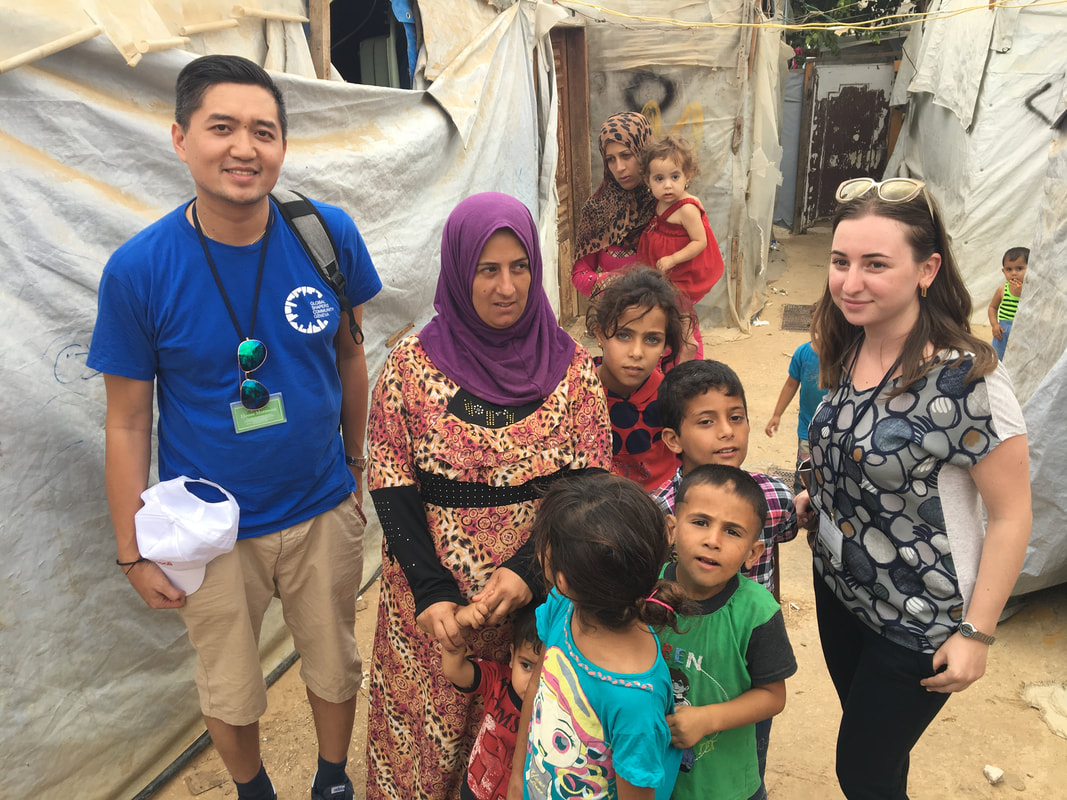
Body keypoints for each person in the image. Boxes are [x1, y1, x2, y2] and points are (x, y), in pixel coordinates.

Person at [87, 55, 381, 800]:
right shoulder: (140, 270)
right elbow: (126, 423)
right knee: (229, 682)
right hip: (209, 531)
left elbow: (351, 356)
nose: (244, 148)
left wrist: (355, 466)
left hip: (321, 506)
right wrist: (131, 552)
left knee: (334, 659)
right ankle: (254, 793)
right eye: (222, 128)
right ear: (181, 138)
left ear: (282, 145)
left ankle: (332, 780)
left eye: (264, 130)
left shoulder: (323, 234)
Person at [366, 192, 611, 800]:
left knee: (527, 748)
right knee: (428, 753)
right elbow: (391, 481)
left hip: (538, 602)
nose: (507, 287)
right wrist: (431, 590)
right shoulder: (409, 368)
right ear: (457, 269)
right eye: (487, 269)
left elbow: (590, 482)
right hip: (435, 610)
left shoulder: (574, 369)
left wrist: (531, 569)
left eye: (520, 267)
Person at [797, 176, 1032, 799]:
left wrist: (977, 634)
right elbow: (846, 445)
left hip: (919, 620)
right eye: (841, 262)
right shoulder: (851, 342)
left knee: (863, 771)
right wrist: (813, 495)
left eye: (876, 264)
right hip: (842, 590)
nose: (851, 282)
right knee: (878, 748)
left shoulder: (968, 381)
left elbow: (1012, 517)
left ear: (927, 268)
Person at [650, 360, 797, 790]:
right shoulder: (657, 514)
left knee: (743, 759)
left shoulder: (773, 496)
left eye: (736, 418)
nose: (727, 431)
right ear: (674, 438)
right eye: (707, 421)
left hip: (742, 655)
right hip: (676, 654)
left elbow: (788, 527)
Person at [509, 473, 692, 800]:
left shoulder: (635, 701)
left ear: (563, 579)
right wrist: (516, 782)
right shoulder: (563, 608)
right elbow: (538, 690)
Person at [661, 465, 797, 800]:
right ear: (672, 529)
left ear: (753, 554)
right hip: (651, 781)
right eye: (701, 522)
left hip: (726, 787)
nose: (713, 540)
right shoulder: (645, 591)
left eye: (733, 532)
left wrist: (705, 719)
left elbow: (772, 696)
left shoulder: (757, 612)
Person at [587, 267, 685, 490]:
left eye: (652, 339)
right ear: (600, 334)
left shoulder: (671, 396)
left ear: (664, 346)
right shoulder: (579, 392)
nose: (637, 352)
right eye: (624, 335)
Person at [636, 135, 725, 363]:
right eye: (659, 178)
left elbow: (699, 241)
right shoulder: (661, 202)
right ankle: (675, 347)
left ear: (688, 176)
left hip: (681, 273)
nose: (667, 185)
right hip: (668, 271)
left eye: (674, 176)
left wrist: (673, 259)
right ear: (647, 181)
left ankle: (688, 345)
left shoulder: (686, 208)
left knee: (680, 307)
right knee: (672, 309)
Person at [440, 605, 543, 800]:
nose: (532, 683)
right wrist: (457, 626)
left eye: (545, 672)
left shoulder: (559, 713)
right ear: (512, 656)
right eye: (526, 665)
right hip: (473, 789)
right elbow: (455, 671)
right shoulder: (497, 680)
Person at [572, 112, 657, 297]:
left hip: (667, 318)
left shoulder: (666, 205)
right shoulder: (597, 209)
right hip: (616, 317)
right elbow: (580, 274)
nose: (619, 167)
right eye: (610, 159)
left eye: (626, 155)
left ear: (644, 152)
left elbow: (703, 271)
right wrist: (619, 283)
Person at [764, 332, 828, 493]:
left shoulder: (848, 355)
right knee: (804, 473)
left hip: (837, 430)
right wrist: (777, 414)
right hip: (807, 429)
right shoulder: (803, 352)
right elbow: (791, 384)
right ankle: (801, 511)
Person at [986, 246, 1029, 361]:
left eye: (1019, 268)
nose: (1013, 273)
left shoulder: (1031, 291)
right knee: (998, 357)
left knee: (1019, 359)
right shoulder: (1002, 289)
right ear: (1003, 271)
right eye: (1009, 269)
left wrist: (1021, 293)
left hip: (1023, 330)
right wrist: (995, 324)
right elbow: (992, 308)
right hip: (1003, 330)